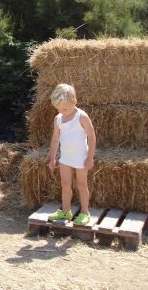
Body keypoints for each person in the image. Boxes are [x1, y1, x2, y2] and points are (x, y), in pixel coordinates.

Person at [47, 83, 97, 225]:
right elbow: (55, 139)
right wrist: (52, 158)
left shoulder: (82, 116)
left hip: (81, 159)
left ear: (74, 102)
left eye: (65, 108)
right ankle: (65, 211)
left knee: (81, 185)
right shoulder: (58, 119)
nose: (62, 111)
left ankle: (85, 212)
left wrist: (90, 158)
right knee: (65, 184)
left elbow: (92, 137)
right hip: (66, 159)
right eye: (58, 109)